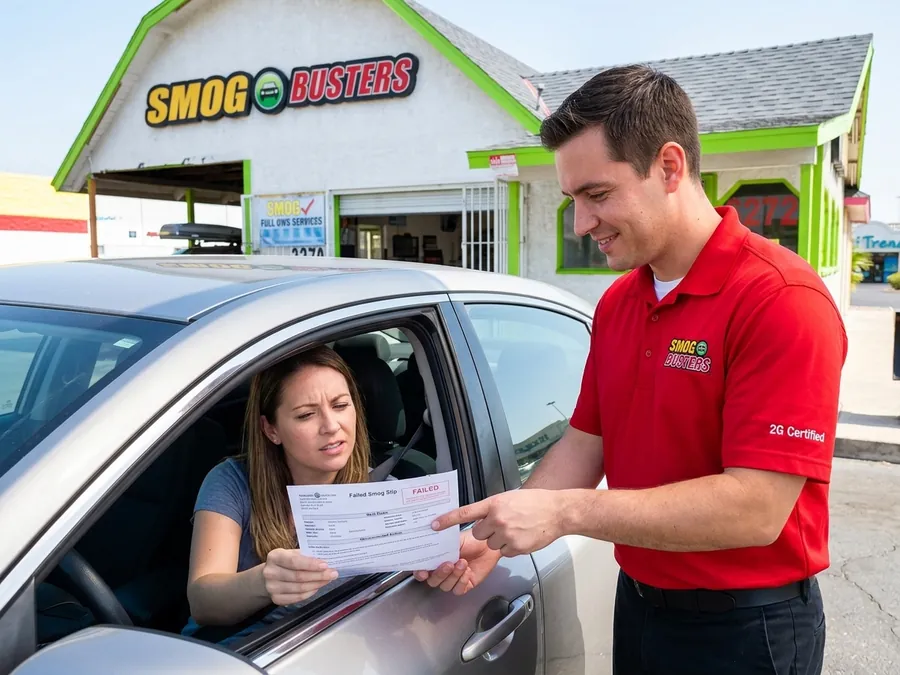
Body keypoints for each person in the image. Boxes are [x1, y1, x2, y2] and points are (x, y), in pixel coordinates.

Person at [416, 64, 847, 674]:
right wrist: (493, 536)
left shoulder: (780, 299)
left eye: (596, 195)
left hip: (749, 627)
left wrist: (564, 514)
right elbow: (585, 441)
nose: (581, 224)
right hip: (641, 606)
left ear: (669, 167)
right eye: (573, 200)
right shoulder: (621, 301)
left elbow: (757, 506)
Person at [181, 345, 373, 642]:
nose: (332, 426)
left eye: (340, 405)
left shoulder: (384, 496)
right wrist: (264, 581)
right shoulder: (232, 481)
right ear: (271, 430)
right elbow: (203, 601)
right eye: (306, 415)